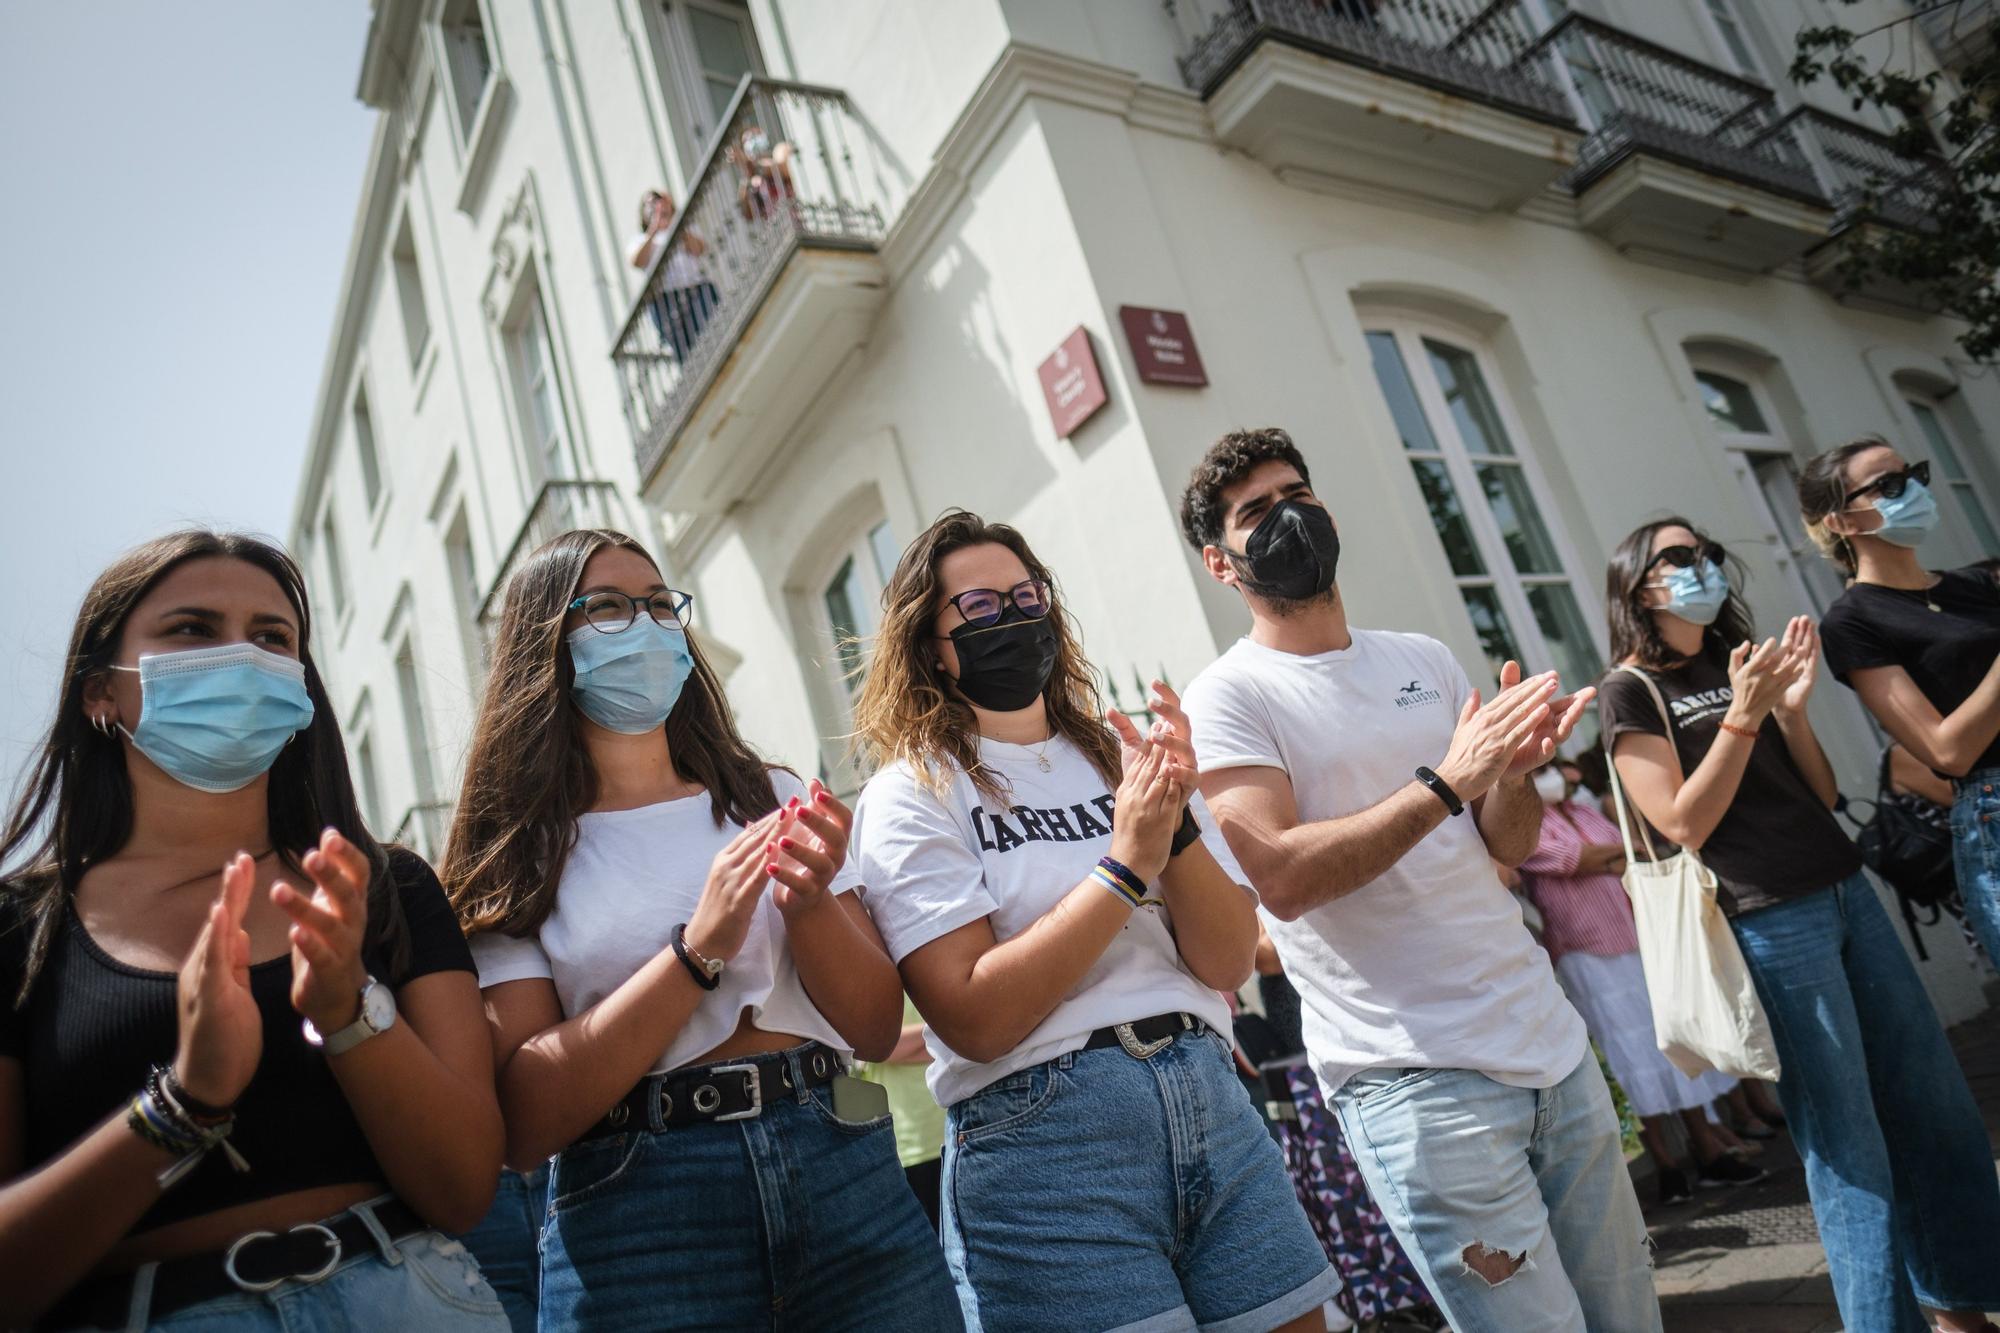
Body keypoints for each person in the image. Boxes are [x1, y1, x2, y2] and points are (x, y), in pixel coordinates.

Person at [1175, 430, 1654, 1332]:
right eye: (1256, 512)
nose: (1289, 518)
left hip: (1547, 1039)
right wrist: (1447, 782)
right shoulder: (1230, 697)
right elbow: (1280, 877)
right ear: (1219, 560)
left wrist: (1512, 771)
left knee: (1629, 1318)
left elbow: (1503, 846)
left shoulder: (1422, 658)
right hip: (1417, 1081)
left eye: (1298, 493)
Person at [440, 527, 956, 1331]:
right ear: (545, 639)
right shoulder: (517, 848)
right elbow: (527, 1116)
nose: (644, 626)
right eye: (607, 607)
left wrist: (811, 903)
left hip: (840, 1158)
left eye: (657, 604)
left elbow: (874, 1023)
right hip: (641, 1208)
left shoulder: (772, 791)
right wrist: (695, 953)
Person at [0, 531, 507, 1330]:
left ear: (301, 689)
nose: (240, 658)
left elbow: (465, 1185)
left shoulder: (390, 888)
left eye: (273, 637)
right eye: (193, 629)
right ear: (101, 690)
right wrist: (184, 1101)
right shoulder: (19, 932)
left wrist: (348, 1011)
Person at [849, 509, 1338, 1333]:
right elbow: (975, 1013)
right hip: (1048, 1140)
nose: (1013, 617)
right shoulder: (915, 791)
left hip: (1210, 1099)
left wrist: (1172, 825)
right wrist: (1121, 867)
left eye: (1027, 595)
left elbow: (1224, 961)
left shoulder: (1124, 759)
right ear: (929, 643)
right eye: (979, 608)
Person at [1598, 515, 2000, 1332]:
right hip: (1768, 918)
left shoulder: (1733, 660)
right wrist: (1743, 717)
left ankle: (1965, 1299)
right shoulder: (1629, 690)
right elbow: (1679, 819)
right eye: (1680, 558)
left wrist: (1790, 713)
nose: (1702, 567)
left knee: (1937, 1107)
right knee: (1848, 1142)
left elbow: (1817, 795)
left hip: (1844, 887)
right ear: (1640, 583)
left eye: (1710, 553)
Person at [1799, 436, 2000, 969]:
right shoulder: (1854, 621)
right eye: (1888, 485)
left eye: (1912, 475)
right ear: (1840, 522)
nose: (1909, 489)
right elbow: (1946, 751)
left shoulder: (1977, 585)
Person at [1518, 759, 1758, 1205]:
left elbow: (1632, 848)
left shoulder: (1585, 812)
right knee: (1626, 1052)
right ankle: (1667, 1164)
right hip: (1585, 951)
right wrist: (1613, 860)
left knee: (1664, 1041)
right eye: (1541, 771)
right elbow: (1574, 859)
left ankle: (1705, 1146)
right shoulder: (1528, 822)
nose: (1552, 777)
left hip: (1634, 937)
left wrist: (1609, 861)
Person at [854, 994, 946, 1229]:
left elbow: (970, 1038)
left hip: (951, 1135)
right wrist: (945, 1032)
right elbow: (882, 1048)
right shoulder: (874, 975)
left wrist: (913, 1042)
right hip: (906, 1146)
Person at [626, 189, 719, 362]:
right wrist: (654, 229)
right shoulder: (640, 240)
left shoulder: (683, 228)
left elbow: (698, 249)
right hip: (667, 300)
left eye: (658, 201)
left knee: (715, 334)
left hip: (695, 289)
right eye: (649, 203)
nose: (655, 206)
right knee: (687, 351)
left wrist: (674, 222)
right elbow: (637, 261)